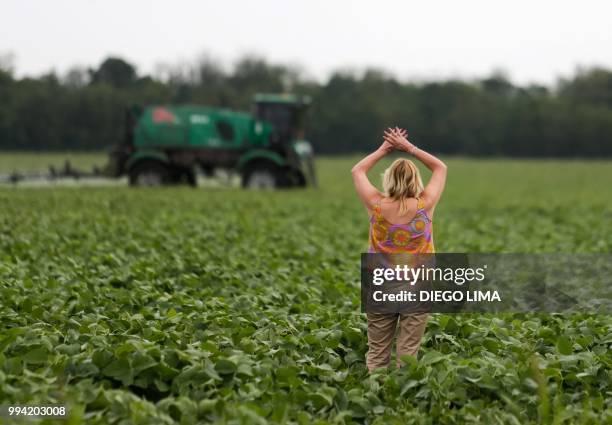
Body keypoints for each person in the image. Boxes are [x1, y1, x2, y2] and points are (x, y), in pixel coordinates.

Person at [351, 127, 447, 372]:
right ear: (416, 180)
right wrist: (408, 148)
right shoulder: (425, 206)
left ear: (389, 179)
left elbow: (357, 170)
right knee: (408, 353)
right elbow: (440, 168)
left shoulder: (376, 205)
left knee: (377, 353)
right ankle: (404, 400)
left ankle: (377, 399)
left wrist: (385, 149)